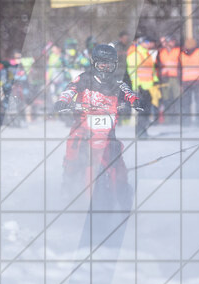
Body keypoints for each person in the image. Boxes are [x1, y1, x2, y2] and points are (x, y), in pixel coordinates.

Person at [54, 44, 141, 194]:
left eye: (109, 65)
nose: (105, 69)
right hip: (83, 127)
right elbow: (70, 89)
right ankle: (68, 184)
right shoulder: (83, 79)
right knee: (73, 150)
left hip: (107, 132)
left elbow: (128, 92)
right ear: (94, 64)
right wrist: (63, 101)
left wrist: (135, 101)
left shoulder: (117, 83)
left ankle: (122, 188)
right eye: (102, 64)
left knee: (117, 159)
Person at [126, 37, 158, 137]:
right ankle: (140, 132)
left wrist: (155, 81)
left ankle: (144, 131)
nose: (148, 44)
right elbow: (132, 71)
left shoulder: (146, 53)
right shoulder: (135, 54)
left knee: (147, 110)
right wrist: (137, 85)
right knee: (141, 111)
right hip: (140, 87)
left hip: (149, 86)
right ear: (141, 43)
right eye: (146, 42)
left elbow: (151, 70)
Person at [179, 38, 199, 126]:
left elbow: (179, 70)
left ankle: (186, 122)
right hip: (198, 81)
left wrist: (180, 83)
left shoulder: (181, 54)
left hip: (186, 81)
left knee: (186, 103)